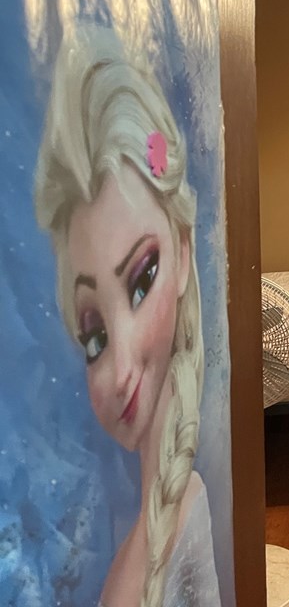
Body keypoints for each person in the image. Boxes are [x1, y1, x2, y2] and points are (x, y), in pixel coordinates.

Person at [33, 29, 221, 607]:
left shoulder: (181, 511)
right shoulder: (168, 517)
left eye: (141, 281)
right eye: (94, 336)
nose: (118, 370)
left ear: (185, 252)